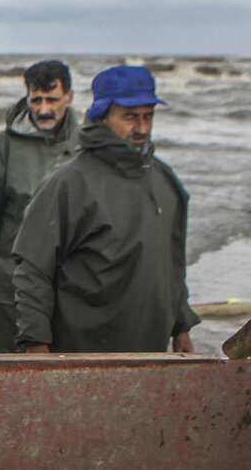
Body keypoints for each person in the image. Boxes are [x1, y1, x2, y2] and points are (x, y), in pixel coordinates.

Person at [12, 65, 199, 353]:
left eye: (148, 116)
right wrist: (37, 344)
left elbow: (172, 262)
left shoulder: (165, 181)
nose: (142, 128)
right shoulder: (68, 183)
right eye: (130, 117)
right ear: (101, 116)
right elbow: (33, 270)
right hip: (81, 351)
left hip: (151, 348)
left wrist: (182, 327)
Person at [0, 60, 78, 353]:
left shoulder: (87, 143)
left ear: (69, 97)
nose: (44, 109)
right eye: (37, 100)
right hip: (12, 285)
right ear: (27, 96)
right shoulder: (4, 147)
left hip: (72, 285)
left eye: (53, 100)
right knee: (12, 370)